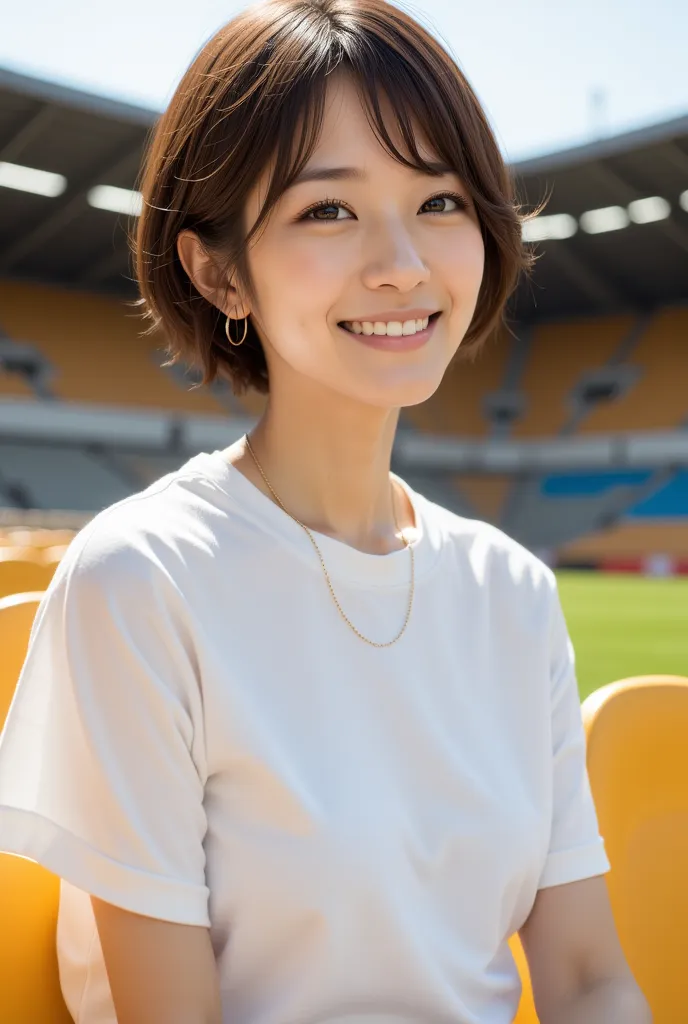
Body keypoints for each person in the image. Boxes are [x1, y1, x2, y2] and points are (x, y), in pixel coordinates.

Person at [0, 1, 651, 1022]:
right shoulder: (143, 580)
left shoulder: (511, 591)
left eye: (439, 201)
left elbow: (585, 978)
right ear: (219, 271)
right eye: (329, 211)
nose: (403, 262)